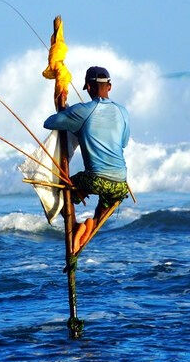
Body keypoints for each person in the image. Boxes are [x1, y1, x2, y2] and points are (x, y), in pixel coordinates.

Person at [44, 66, 130, 254]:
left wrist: (68, 115)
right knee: (104, 205)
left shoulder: (83, 111)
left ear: (89, 88)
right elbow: (123, 143)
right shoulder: (123, 112)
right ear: (110, 87)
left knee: (65, 188)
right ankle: (90, 227)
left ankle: (75, 227)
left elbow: (49, 122)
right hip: (121, 183)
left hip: (95, 179)